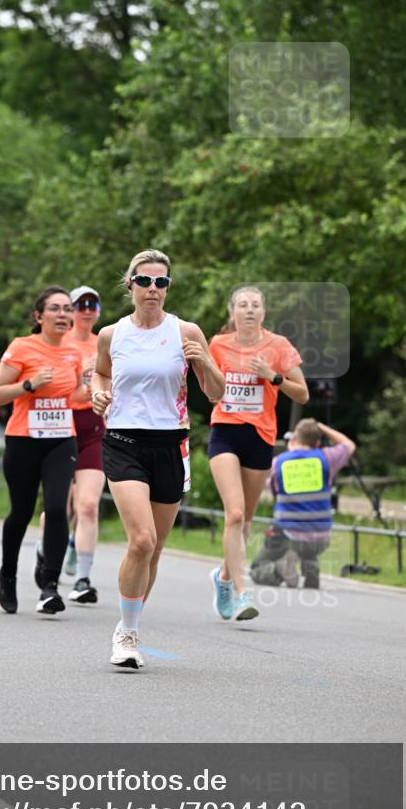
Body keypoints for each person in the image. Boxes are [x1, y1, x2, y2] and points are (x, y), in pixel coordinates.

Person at [92, 250, 225, 670]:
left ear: (168, 287)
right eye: (144, 281)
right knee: (142, 539)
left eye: (161, 282)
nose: (153, 289)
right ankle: (127, 635)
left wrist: (203, 361)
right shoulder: (112, 335)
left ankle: (128, 621)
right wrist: (98, 391)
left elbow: (217, 392)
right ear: (129, 284)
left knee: (156, 548)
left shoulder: (186, 331)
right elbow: (100, 373)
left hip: (171, 444)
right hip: (123, 441)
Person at [207, 285, 309, 622]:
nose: (249, 310)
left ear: (263, 313)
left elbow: (303, 394)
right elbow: (209, 391)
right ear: (232, 311)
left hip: (260, 437)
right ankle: (241, 593)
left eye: (255, 305)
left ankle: (223, 577)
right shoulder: (218, 344)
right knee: (234, 515)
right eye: (243, 305)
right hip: (224, 432)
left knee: (245, 521)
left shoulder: (278, 346)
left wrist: (272, 376)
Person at [0, 287, 85, 615]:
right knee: (21, 512)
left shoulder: (74, 351)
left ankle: (50, 586)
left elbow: (76, 394)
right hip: (23, 440)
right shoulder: (21, 347)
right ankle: (8, 574)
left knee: (58, 508)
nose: (63, 315)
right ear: (38, 316)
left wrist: (101, 394)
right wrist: (28, 385)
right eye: (55, 309)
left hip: (61, 439)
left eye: (67, 309)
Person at [33, 284, 104, 603]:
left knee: (87, 505)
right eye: (80, 304)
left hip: (95, 428)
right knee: (57, 508)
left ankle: (83, 580)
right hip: (61, 426)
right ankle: (44, 549)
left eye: (93, 304)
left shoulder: (106, 341)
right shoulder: (58, 344)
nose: (86, 309)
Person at [250, 418, 356, 589]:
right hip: (321, 538)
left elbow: (268, 487)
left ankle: (281, 569)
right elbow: (349, 445)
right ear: (318, 442)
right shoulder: (326, 458)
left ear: (293, 439)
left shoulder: (278, 463)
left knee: (257, 569)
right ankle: (310, 566)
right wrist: (322, 427)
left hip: (289, 536)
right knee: (307, 540)